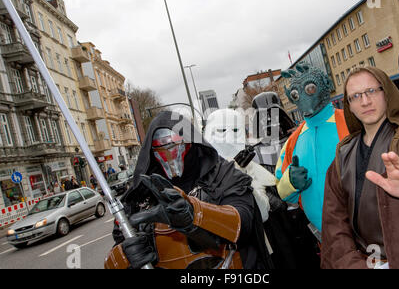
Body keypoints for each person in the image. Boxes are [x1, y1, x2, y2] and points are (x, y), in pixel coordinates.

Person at [106, 111, 273, 269]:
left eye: (174, 143)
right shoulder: (139, 197)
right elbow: (117, 248)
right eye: (160, 147)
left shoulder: (223, 175)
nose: (169, 155)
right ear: (151, 151)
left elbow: (243, 222)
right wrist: (126, 256)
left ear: (190, 142)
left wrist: (196, 215)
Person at [321, 66, 399, 269]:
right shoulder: (342, 156)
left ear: (386, 92)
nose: (365, 101)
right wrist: (353, 264)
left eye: (372, 91)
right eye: (355, 96)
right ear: (349, 106)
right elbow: (334, 224)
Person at [204, 108, 309, 268]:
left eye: (235, 130)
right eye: (222, 130)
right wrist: (235, 175)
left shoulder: (253, 165)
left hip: (274, 245)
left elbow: (269, 208)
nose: (230, 136)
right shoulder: (205, 178)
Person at [276, 62, 349, 237]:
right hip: (325, 240)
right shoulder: (293, 140)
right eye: (295, 94)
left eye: (309, 89)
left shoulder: (351, 123)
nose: (302, 97)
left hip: (363, 233)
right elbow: (280, 186)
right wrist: (291, 183)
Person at [250, 92, 297, 174]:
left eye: (273, 114)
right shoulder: (254, 153)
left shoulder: (297, 139)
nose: (269, 119)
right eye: (263, 116)